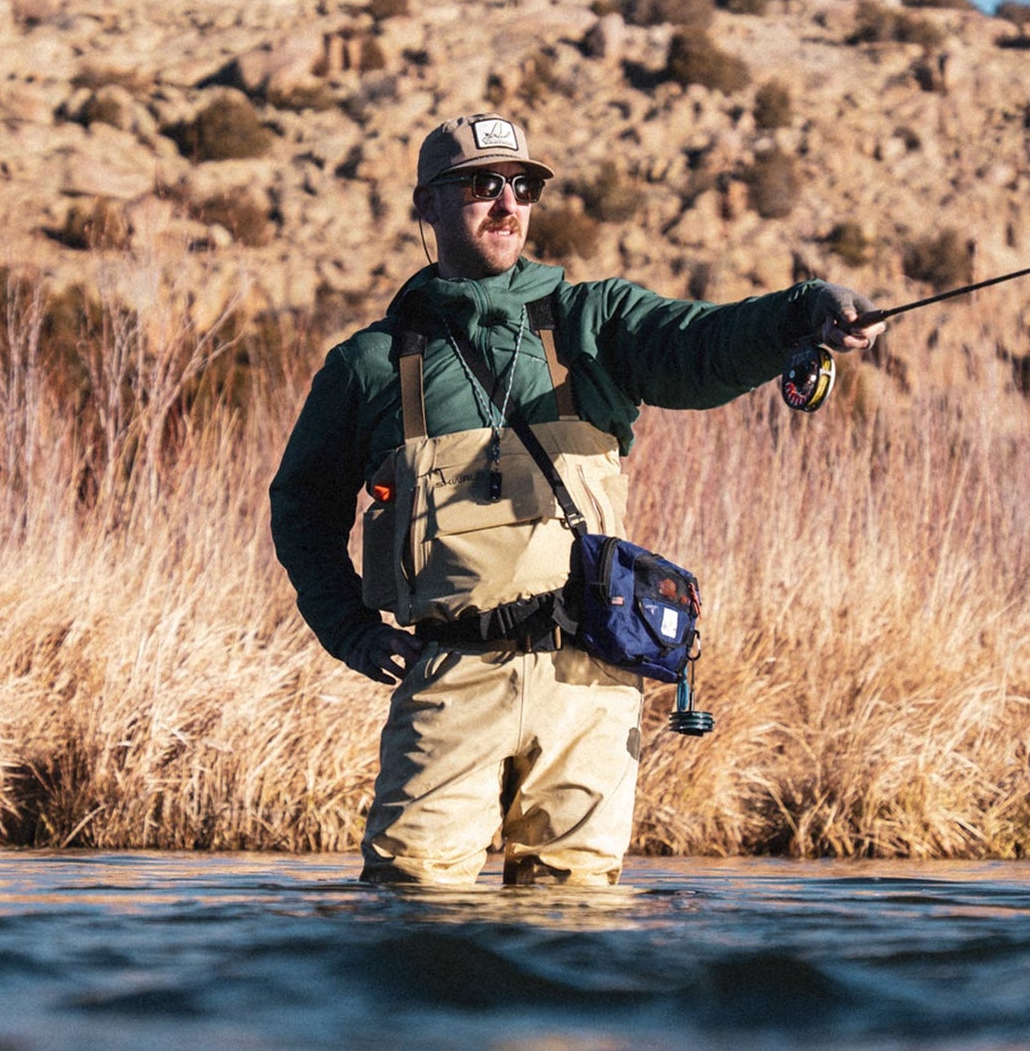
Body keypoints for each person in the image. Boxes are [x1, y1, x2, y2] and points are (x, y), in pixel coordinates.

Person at [269, 112, 883, 885]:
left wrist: (803, 312)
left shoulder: (596, 324)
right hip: (450, 676)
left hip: (589, 688)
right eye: (481, 186)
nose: (506, 203)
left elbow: (701, 344)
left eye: (523, 187)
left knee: (575, 924)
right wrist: (349, 630)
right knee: (410, 908)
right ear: (426, 206)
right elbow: (301, 508)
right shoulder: (369, 364)